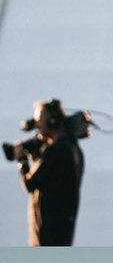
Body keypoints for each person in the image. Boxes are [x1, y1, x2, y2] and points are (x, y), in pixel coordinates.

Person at [14, 98, 84, 246]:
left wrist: (22, 160)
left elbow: (31, 183)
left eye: (39, 119)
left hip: (50, 234)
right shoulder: (71, 147)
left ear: (52, 121)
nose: (37, 125)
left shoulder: (58, 149)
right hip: (60, 231)